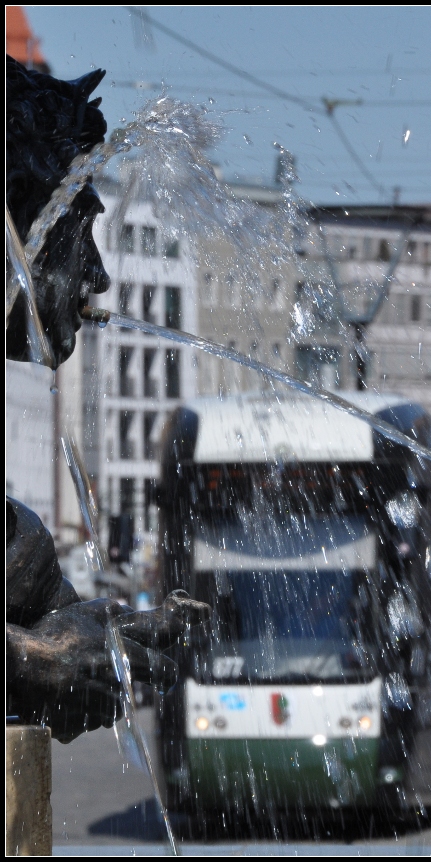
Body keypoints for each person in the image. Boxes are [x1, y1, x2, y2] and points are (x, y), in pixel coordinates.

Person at [6, 55, 209, 743]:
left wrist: (100, 642)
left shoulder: (20, 544)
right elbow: (35, 648)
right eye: (79, 222)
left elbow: (45, 619)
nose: (98, 276)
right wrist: (33, 664)